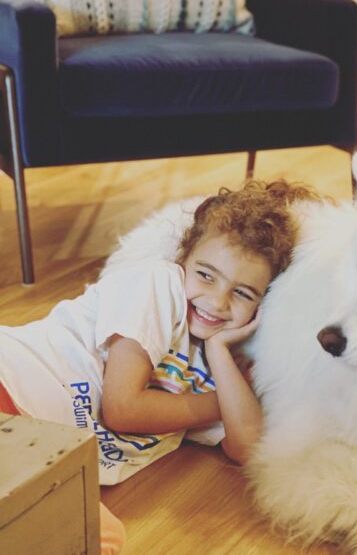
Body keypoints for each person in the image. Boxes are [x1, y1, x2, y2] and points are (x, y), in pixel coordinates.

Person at [0, 180, 319, 554]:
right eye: (205, 274)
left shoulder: (221, 365)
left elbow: (247, 447)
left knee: (101, 539)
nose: (217, 301)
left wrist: (218, 353)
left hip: (41, 454)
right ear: (182, 260)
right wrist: (223, 402)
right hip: (11, 384)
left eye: (243, 293)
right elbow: (122, 408)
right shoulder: (158, 284)